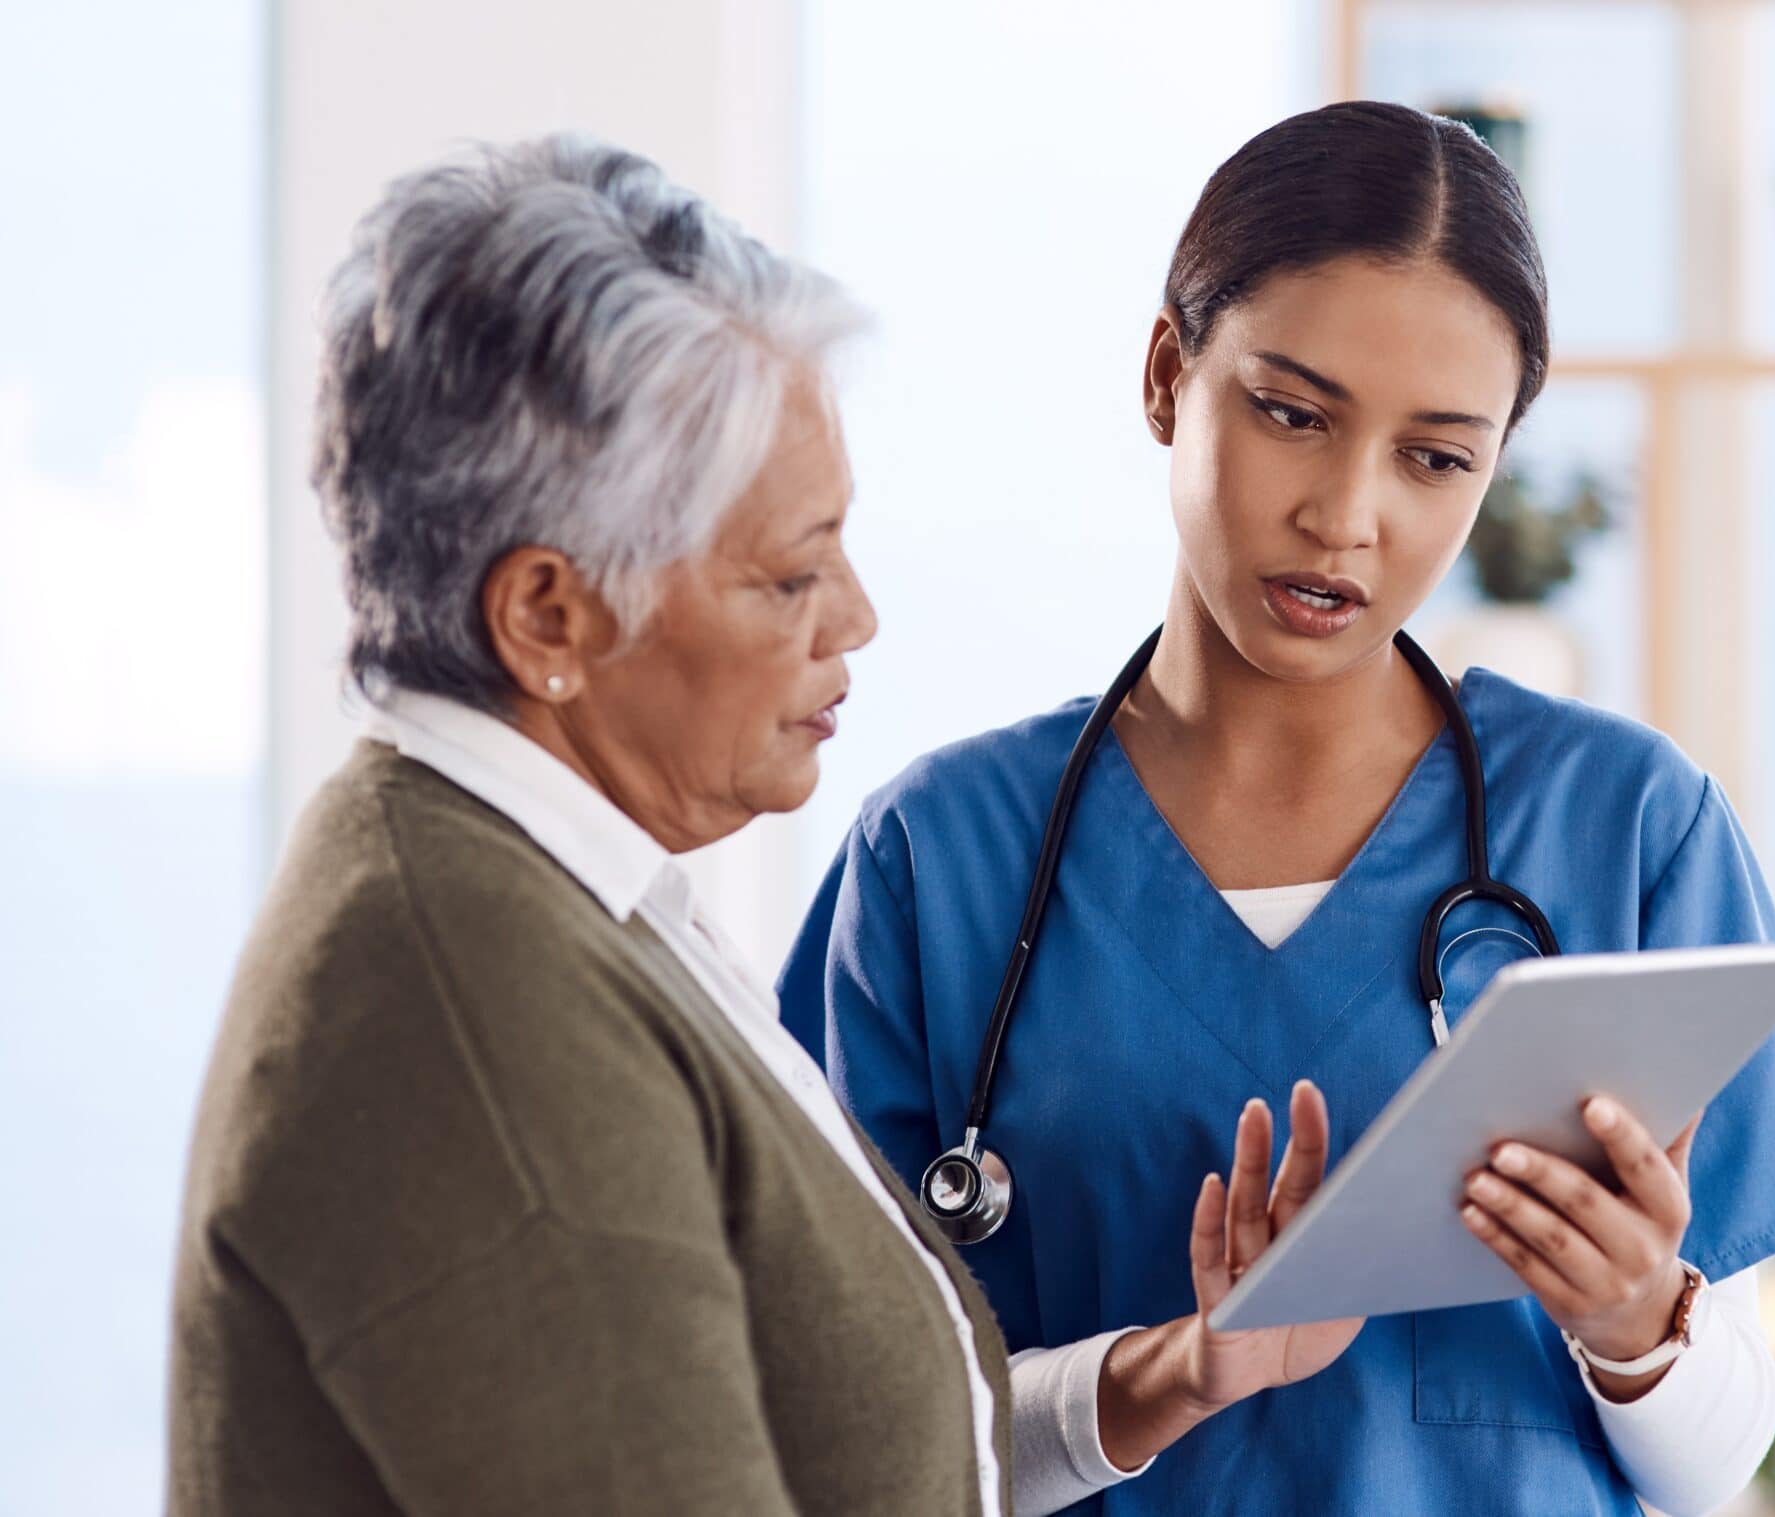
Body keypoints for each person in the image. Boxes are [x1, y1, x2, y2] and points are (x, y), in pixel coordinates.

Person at [780, 102, 1775, 1516]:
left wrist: (1635, 1318)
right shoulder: (937, 860)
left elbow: (1723, 1456)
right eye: (1293, 414)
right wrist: (1159, 1375)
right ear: (1169, 374)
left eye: (1435, 458)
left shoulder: (1633, 828)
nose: (1347, 516)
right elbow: (855, 1431)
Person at [168, 134, 1172, 1517]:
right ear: (548, 617)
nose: (858, 618)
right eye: (791, 574)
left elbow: (842, 1440)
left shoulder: (552, 895)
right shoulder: (479, 1010)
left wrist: (1154, 1380)